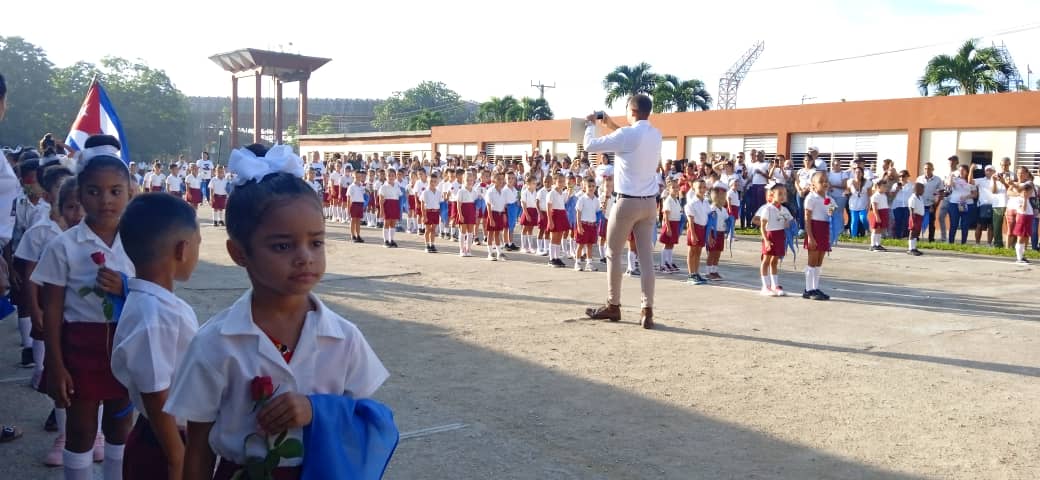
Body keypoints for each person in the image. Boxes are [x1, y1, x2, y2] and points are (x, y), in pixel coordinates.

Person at [164, 143, 391, 480]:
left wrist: (316, 410)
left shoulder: (344, 338)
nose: (305, 257)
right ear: (239, 252)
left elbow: (368, 420)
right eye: (282, 246)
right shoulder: (215, 343)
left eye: (316, 242)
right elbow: (198, 447)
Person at [32, 134, 135, 479]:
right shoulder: (64, 247)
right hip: (80, 348)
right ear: (79, 193)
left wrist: (126, 286)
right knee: (81, 429)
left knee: (122, 426)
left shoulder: (141, 241)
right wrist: (56, 365)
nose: (105, 200)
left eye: (115, 191)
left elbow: (159, 291)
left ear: (129, 191)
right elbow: (53, 311)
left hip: (128, 344)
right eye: (93, 191)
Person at [110, 193, 200, 480]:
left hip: (165, 435)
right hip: (165, 442)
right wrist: (176, 458)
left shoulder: (156, 304)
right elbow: (155, 392)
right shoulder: (155, 315)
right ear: (183, 249)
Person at [583, 95, 662, 329]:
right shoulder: (655, 134)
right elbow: (629, 138)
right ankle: (647, 310)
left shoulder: (627, 135)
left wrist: (591, 125)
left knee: (612, 252)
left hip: (627, 202)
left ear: (633, 110)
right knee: (646, 258)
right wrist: (610, 124)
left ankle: (613, 304)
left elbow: (590, 146)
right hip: (649, 203)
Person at [758, 184, 793, 297]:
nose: (783, 196)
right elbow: (762, 227)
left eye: (784, 194)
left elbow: (790, 222)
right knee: (766, 260)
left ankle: (775, 285)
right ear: (772, 195)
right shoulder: (767, 209)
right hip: (770, 235)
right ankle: (765, 286)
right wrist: (766, 240)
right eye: (780, 194)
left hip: (780, 236)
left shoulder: (785, 209)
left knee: (775, 261)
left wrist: (789, 224)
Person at [803, 172, 832, 300]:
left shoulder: (828, 198)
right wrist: (810, 236)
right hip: (814, 229)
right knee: (812, 260)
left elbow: (831, 214)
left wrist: (830, 208)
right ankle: (808, 289)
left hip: (824, 229)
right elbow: (807, 219)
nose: (825, 183)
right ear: (813, 185)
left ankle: (815, 288)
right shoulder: (811, 198)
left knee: (819, 261)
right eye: (821, 181)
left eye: (826, 181)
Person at [684, 180, 710, 285]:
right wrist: (693, 234)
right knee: (692, 251)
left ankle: (696, 272)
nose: (702, 189)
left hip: (703, 229)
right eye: (700, 187)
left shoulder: (706, 202)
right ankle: (691, 275)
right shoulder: (691, 203)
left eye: (704, 187)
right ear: (694, 189)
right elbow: (690, 220)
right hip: (694, 228)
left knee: (698, 252)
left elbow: (709, 215)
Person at [574, 177, 600, 271]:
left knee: (590, 245)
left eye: (593, 186)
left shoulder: (596, 200)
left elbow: (598, 212)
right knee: (580, 245)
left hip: (592, 225)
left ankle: (589, 263)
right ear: (585, 187)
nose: (591, 188)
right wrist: (579, 226)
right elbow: (578, 212)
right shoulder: (582, 199)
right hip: (583, 225)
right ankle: (577, 263)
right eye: (589, 186)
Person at [545, 173, 571, 267]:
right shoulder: (551, 193)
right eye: (559, 181)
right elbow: (548, 207)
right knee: (554, 237)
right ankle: (551, 259)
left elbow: (564, 202)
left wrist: (568, 193)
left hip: (562, 214)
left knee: (559, 237)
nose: (561, 183)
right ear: (555, 181)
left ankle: (556, 257)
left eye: (563, 181)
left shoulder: (562, 193)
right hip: (555, 215)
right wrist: (550, 220)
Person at [658, 180, 682, 274]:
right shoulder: (668, 200)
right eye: (673, 187)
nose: (676, 189)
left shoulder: (677, 200)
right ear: (668, 189)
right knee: (667, 244)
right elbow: (666, 215)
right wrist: (668, 227)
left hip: (675, 223)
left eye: (677, 187)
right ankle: (663, 264)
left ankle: (669, 262)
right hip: (670, 223)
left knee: (671, 244)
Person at [484, 172, 509, 261]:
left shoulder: (503, 191)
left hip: (500, 214)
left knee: (498, 234)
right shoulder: (490, 191)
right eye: (498, 179)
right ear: (493, 180)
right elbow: (488, 206)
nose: (501, 181)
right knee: (490, 234)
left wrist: (504, 214)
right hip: (492, 214)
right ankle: (490, 253)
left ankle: (499, 253)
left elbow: (504, 205)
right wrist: (491, 218)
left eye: (502, 179)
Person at [916, 162, 943, 242]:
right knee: (918, 221)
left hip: (931, 205)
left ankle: (931, 239)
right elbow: (916, 191)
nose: (927, 170)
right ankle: (916, 237)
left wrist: (936, 205)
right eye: (925, 168)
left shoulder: (938, 179)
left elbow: (941, 192)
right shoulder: (919, 178)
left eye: (929, 168)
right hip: (920, 204)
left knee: (931, 223)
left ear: (932, 169)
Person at [377, 168, 402, 248]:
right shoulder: (383, 187)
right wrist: (381, 210)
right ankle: (386, 240)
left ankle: (391, 240)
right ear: (386, 177)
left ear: (395, 177)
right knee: (386, 223)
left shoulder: (397, 186)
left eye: (392, 176)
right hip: (387, 205)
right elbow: (381, 199)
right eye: (389, 176)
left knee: (393, 223)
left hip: (395, 205)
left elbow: (399, 196)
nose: (391, 177)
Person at [991, 158, 1012, 248]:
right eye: (1002, 165)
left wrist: (1003, 182)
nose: (1004, 167)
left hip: (1010, 203)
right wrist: (995, 182)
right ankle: (998, 244)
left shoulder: (1013, 175)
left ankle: (1011, 245)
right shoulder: (995, 175)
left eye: (1006, 165)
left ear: (1009, 164)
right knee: (997, 225)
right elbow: (993, 191)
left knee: (1010, 226)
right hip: (997, 203)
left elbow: (1012, 189)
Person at [456, 171, 478, 257]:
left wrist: (476, 213)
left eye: (471, 180)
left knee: (470, 232)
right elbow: (458, 204)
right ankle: (462, 249)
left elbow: (476, 204)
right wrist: (460, 215)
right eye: (467, 180)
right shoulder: (461, 191)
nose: (469, 182)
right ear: (463, 180)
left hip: (471, 212)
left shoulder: (474, 192)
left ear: (473, 181)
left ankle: (468, 249)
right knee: (463, 231)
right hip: (463, 211)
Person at [420, 172, 441, 253]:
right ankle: (427, 245)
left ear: (437, 182)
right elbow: (422, 204)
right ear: (428, 182)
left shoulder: (439, 192)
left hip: (435, 212)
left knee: (433, 230)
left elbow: (439, 203)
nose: (433, 183)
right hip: (428, 212)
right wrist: (424, 215)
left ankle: (432, 244)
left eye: (435, 181)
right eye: (431, 181)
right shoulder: (425, 192)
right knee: (427, 229)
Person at [846, 166, 871, 238]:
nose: (857, 174)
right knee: (854, 221)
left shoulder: (867, 182)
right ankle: (854, 237)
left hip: (863, 204)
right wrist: (846, 193)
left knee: (863, 218)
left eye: (859, 172)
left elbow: (870, 195)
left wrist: (869, 205)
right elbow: (847, 191)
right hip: (853, 204)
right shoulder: (850, 181)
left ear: (862, 174)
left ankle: (867, 230)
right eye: (856, 172)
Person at [975, 166, 996, 246]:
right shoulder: (981, 180)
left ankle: (989, 244)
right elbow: (970, 181)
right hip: (982, 205)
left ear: (994, 171)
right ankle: (977, 243)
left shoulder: (997, 180)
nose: (989, 172)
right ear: (985, 172)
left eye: (991, 170)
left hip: (994, 205)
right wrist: (971, 170)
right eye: (987, 170)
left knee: (991, 226)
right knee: (979, 225)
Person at [868, 181, 891, 252]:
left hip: (883, 213)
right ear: (878, 187)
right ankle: (872, 245)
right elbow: (874, 207)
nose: (885, 188)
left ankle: (878, 244)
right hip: (877, 213)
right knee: (875, 229)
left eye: (886, 187)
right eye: (883, 186)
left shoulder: (884, 195)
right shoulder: (875, 196)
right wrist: (877, 216)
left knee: (880, 230)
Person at [890, 171, 913, 239]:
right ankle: (897, 236)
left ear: (907, 176)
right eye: (900, 176)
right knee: (898, 221)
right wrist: (897, 189)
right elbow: (892, 195)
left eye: (903, 176)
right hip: (897, 205)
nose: (901, 178)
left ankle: (905, 236)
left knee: (906, 221)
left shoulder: (911, 185)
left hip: (907, 205)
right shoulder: (895, 185)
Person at [346, 170, 367, 243]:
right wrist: (348, 208)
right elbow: (348, 198)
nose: (358, 178)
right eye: (356, 176)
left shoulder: (362, 186)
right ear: (353, 177)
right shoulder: (351, 187)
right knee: (353, 220)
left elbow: (365, 196)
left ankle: (358, 235)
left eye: (359, 176)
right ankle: (352, 235)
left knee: (358, 221)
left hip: (360, 204)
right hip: (354, 204)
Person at [503, 171, 521, 251]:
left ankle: (511, 242)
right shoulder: (504, 190)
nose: (511, 180)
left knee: (512, 227)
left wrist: (518, 202)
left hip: (514, 209)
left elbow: (517, 198)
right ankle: (505, 243)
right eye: (509, 178)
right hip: (507, 209)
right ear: (505, 179)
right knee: (506, 227)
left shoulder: (515, 190)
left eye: (512, 178)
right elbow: (503, 201)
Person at [907, 182, 926, 256]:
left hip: (920, 217)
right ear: (916, 189)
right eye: (922, 189)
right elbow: (911, 209)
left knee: (916, 233)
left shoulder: (920, 197)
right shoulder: (912, 198)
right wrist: (912, 219)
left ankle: (914, 248)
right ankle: (910, 248)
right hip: (915, 217)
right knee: (913, 232)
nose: (923, 191)